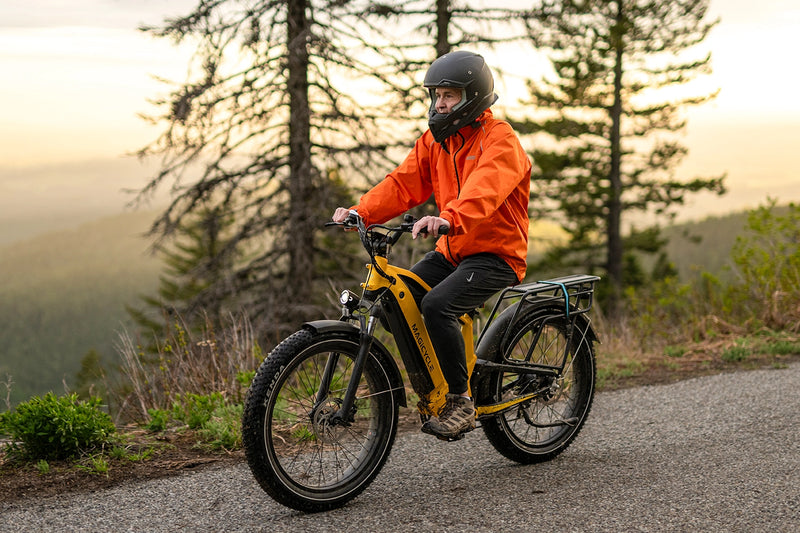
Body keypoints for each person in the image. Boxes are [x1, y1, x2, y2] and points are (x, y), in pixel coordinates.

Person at [332, 50, 531, 439]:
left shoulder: (500, 139)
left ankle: (461, 400)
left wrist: (450, 217)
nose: (439, 103)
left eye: (449, 95)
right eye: (436, 95)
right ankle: (438, 381)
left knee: (437, 305)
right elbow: (402, 184)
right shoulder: (435, 142)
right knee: (396, 298)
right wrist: (362, 212)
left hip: (495, 253)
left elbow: (485, 187)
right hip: (452, 250)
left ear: (472, 96)